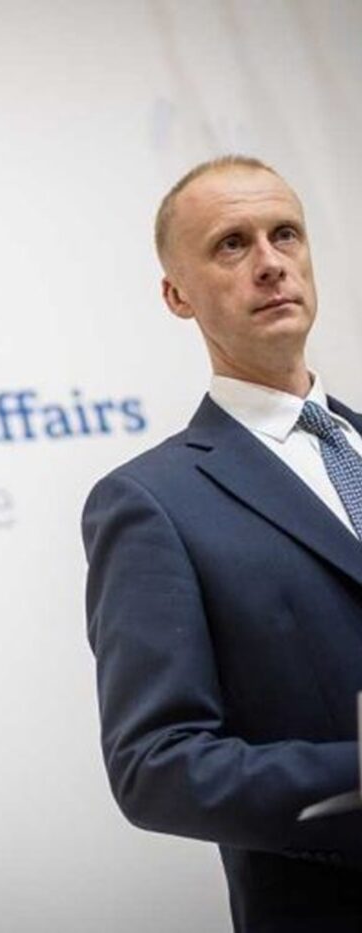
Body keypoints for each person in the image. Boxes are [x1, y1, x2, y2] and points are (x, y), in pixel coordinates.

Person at [82, 155, 362, 932]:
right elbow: (155, 766)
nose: (270, 262)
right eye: (231, 245)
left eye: (285, 234)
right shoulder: (152, 503)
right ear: (177, 295)